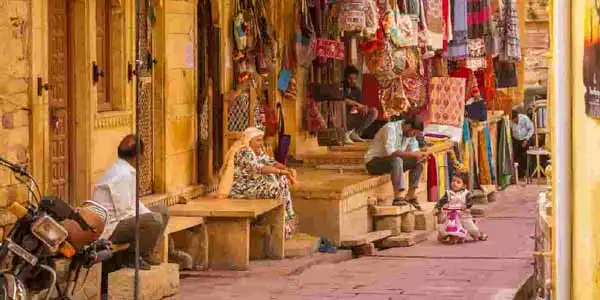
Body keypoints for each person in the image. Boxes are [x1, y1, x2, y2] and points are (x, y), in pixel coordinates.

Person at [92, 135, 169, 270]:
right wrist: (150, 219)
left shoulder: (124, 169)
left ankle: (146, 254)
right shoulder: (122, 175)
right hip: (110, 227)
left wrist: (149, 214)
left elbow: (133, 202)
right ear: (138, 157)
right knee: (154, 220)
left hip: (121, 219)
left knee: (162, 211)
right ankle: (132, 256)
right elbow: (124, 212)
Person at [217, 127, 298, 238]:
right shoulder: (244, 151)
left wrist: (287, 170)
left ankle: (286, 220)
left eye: (261, 140)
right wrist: (281, 172)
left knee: (281, 180)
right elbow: (259, 168)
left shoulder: (256, 151)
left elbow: (271, 162)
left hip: (252, 184)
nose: (261, 143)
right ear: (249, 140)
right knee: (275, 187)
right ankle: (282, 226)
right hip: (241, 188)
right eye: (258, 140)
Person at [364, 116, 427, 210]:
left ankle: (411, 195)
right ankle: (398, 197)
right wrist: (413, 154)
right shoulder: (390, 128)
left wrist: (421, 155)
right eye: (413, 132)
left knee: (418, 161)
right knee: (397, 160)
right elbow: (391, 152)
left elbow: (415, 151)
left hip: (392, 162)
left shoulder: (410, 134)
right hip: (373, 163)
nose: (413, 135)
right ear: (408, 126)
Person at [434, 173, 488, 242]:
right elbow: (441, 201)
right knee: (442, 229)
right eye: (453, 181)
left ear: (464, 186)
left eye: (458, 182)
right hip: (451, 216)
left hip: (464, 217)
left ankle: (479, 235)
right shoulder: (448, 193)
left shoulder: (466, 194)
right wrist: (437, 208)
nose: (455, 183)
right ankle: (442, 236)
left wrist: (466, 206)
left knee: (472, 229)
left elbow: (470, 201)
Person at [343, 65, 378, 144]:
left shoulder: (357, 90)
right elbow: (344, 100)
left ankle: (355, 133)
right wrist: (358, 105)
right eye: (350, 78)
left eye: (354, 78)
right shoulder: (341, 87)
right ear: (345, 78)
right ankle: (346, 133)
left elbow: (360, 105)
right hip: (342, 116)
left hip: (353, 114)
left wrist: (362, 107)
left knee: (374, 111)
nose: (353, 81)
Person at [510, 109, 535, 180]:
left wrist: (526, 140)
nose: (514, 121)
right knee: (516, 156)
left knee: (525, 155)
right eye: (512, 120)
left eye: (514, 119)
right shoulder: (511, 122)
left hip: (526, 138)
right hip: (516, 140)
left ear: (517, 117)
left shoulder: (524, 118)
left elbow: (531, 129)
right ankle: (519, 175)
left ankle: (527, 174)